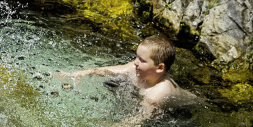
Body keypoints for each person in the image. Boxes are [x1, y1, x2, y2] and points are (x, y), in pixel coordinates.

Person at [59, 35, 195, 114]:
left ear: (159, 68)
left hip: (184, 111)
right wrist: (78, 74)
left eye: (141, 60)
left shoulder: (157, 94)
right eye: (136, 57)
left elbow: (137, 122)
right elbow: (108, 71)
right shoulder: (139, 69)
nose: (135, 63)